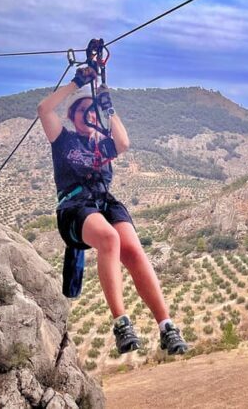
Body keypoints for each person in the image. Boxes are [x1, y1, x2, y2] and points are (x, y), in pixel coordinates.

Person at [37, 66, 188, 355]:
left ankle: (166, 326)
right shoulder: (63, 140)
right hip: (75, 205)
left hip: (105, 202)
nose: (90, 116)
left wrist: (109, 108)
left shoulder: (103, 147)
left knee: (132, 251)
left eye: (93, 112)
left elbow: (124, 142)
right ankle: (121, 323)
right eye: (84, 112)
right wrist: (76, 84)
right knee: (110, 240)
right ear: (73, 118)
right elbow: (44, 109)